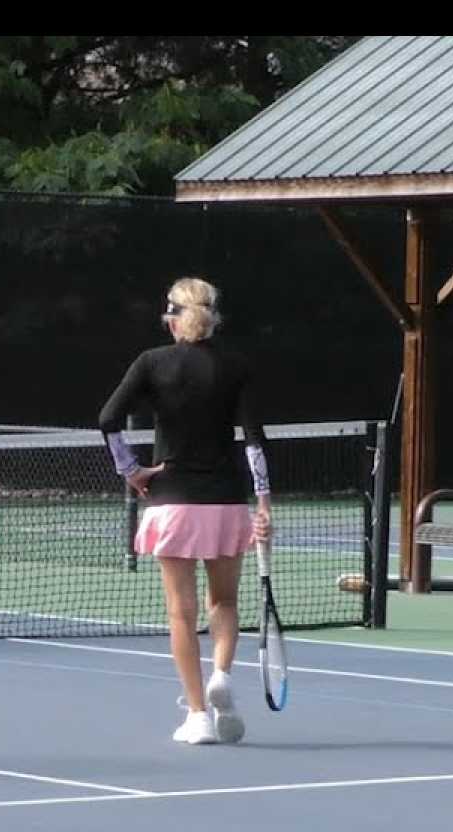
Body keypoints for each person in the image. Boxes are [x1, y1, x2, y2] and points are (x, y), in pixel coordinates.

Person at [97, 277, 272, 746]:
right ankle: (222, 675)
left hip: (171, 503)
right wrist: (263, 502)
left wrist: (131, 469)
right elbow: (254, 438)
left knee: (181, 612)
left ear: (172, 319)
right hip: (227, 503)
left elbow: (107, 418)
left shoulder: (152, 362)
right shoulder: (237, 365)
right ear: (213, 318)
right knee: (226, 603)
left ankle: (197, 714)